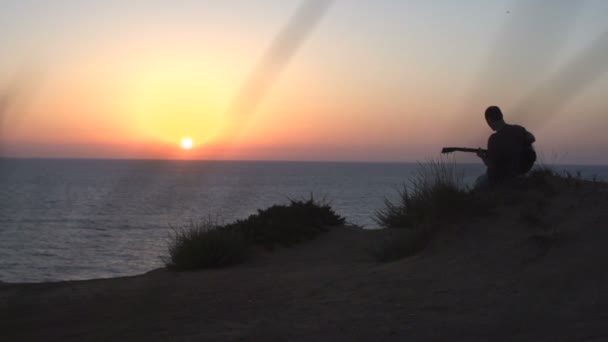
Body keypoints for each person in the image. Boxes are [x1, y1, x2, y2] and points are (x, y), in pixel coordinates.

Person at [475, 106, 536, 187]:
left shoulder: (494, 139)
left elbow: (492, 165)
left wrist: (482, 156)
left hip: (502, 179)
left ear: (489, 120)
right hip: (519, 172)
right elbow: (532, 138)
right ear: (501, 115)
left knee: (478, 182)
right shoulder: (518, 129)